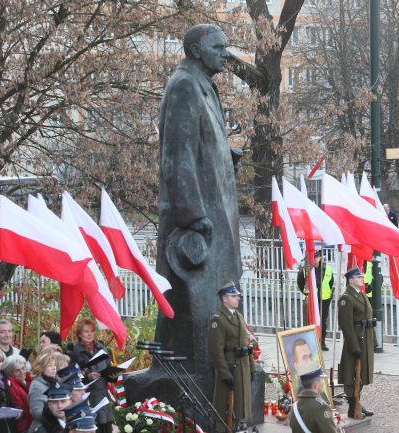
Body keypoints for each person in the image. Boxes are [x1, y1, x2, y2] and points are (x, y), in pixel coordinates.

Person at [150, 23, 244, 401]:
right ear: (195, 50)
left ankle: (216, 371)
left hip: (214, 212)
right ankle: (200, 374)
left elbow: (201, 147)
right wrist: (192, 215)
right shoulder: (184, 85)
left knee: (216, 296)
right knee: (197, 302)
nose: (225, 52)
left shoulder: (205, 83)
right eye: (218, 47)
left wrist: (226, 157)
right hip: (196, 223)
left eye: (226, 45)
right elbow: (178, 155)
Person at [208, 282, 254, 432]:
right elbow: (216, 351)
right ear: (224, 299)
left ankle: (237, 427)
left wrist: (252, 366)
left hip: (243, 367)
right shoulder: (218, 319)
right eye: (234, 296)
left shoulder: (238, 316)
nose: (238, 299)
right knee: (225, 408)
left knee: (240, 407)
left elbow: (247, 344)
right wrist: (225, 374)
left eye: (238, 296)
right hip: (230, 368)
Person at [337, 266, 374, 419]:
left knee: (363, 374)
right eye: (358, 277)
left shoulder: (361, 295)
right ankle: (353, 406)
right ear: (350, 280)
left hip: (366, 341)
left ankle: (357, 402)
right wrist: (354, 346)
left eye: (361, 276)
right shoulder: (346, 298)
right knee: (351, 375)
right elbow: (346, 325)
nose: (361, 278)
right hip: (356, 342)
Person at [68, 318, 116, 433]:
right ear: (79, 334)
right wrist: (87, 377)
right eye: (86, 331)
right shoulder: (74, 352)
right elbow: (72, 379)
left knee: (106, 428)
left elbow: (108, 368)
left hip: (103, 397)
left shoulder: (101, 347)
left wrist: (113, 375)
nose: (90, 334)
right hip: (88, 398)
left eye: (91, 331)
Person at [296, 250, 335, 350]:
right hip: (311, 300)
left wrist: (327, 294)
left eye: (317, 256)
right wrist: (306, 293)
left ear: (320, 257)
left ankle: (322, 343)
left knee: (322, 321)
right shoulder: (305, 269)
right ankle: (309, 343)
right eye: (313, 256)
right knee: (309, 321)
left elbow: (331, 283)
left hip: (324, 299)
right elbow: (300, 283)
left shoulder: (328, 269)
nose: (315, 258)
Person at [289, 363, 336, 433]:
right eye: (322, 379)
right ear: (315, 385)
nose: (323, 382)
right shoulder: (322, 408)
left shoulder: (294, 406)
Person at [28, 352, 60, 433]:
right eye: (50, 365)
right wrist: (58, 413)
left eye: (54, 365)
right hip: (42, 428)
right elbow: (36, 412)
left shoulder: (55, 381)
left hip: (55, 426)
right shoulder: (37, 386)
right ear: (41, 368)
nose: (54, 368)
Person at [0, 345, 17, 433]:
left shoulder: (5, 377)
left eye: (1, 361)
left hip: (8, 422)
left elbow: (11, 398)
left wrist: (16, 410)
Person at [3, 354, 32, 432]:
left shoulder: (29, 379)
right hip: (24, 427)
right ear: (9, 372)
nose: (22, 372)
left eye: (23, 368)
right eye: (17, 370)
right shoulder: (11, 386)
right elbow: (19, 409)